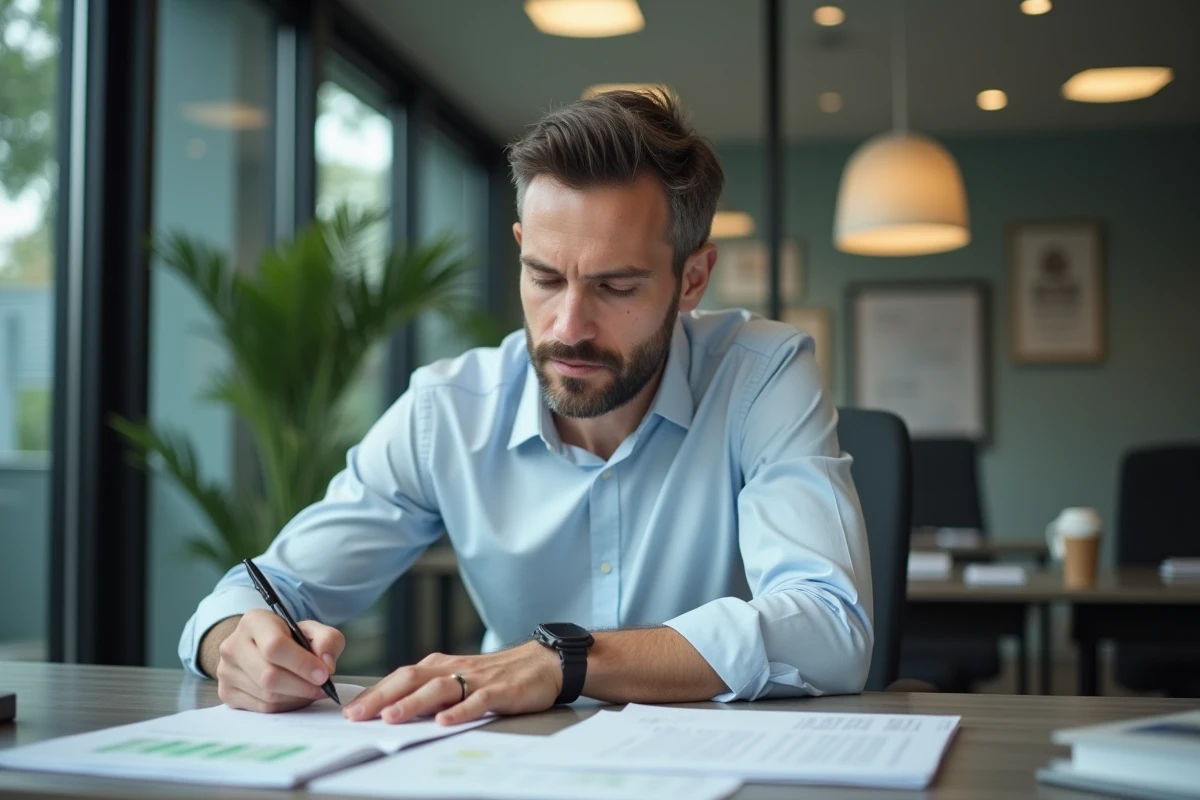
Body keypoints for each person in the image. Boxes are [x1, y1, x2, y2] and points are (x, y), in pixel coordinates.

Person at [180, 90, 873, 726]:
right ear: (520, 251)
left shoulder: (762, 375)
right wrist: (233, 647)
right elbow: (266, 589)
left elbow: (831, 626)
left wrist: (564, 662)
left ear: (691, 279)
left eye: (617, 286)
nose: (569, 326)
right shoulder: (447, 410)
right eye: (544, 277)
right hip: (509, 764)